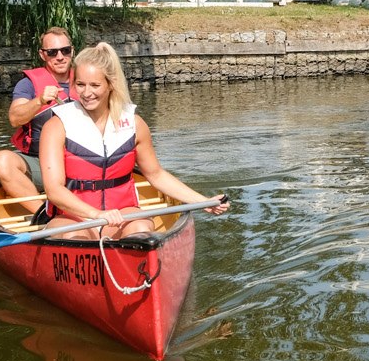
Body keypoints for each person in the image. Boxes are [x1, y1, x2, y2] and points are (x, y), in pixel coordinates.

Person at [38, 43, 229, 239]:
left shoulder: (135, 125)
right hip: (73, 218)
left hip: (120, 214)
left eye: (95, 85)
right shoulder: (56, 126)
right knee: (75, 238)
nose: (86, 93)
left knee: (139, 228)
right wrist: (97, 214)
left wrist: (204, 201)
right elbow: (54, 190)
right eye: (80, 85)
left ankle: (135, 261)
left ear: (111, 84)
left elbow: (156, 175)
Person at [0, 27, 76, 213]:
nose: (60, 57)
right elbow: (14, 118)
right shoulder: (28, 84)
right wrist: (39, 101)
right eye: (52, 52)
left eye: (65, 50)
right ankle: (44, 215)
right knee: (1, 161)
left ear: (72, 51)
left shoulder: (86, 79)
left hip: (82, 162)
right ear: (42, 55)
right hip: (43, 164)